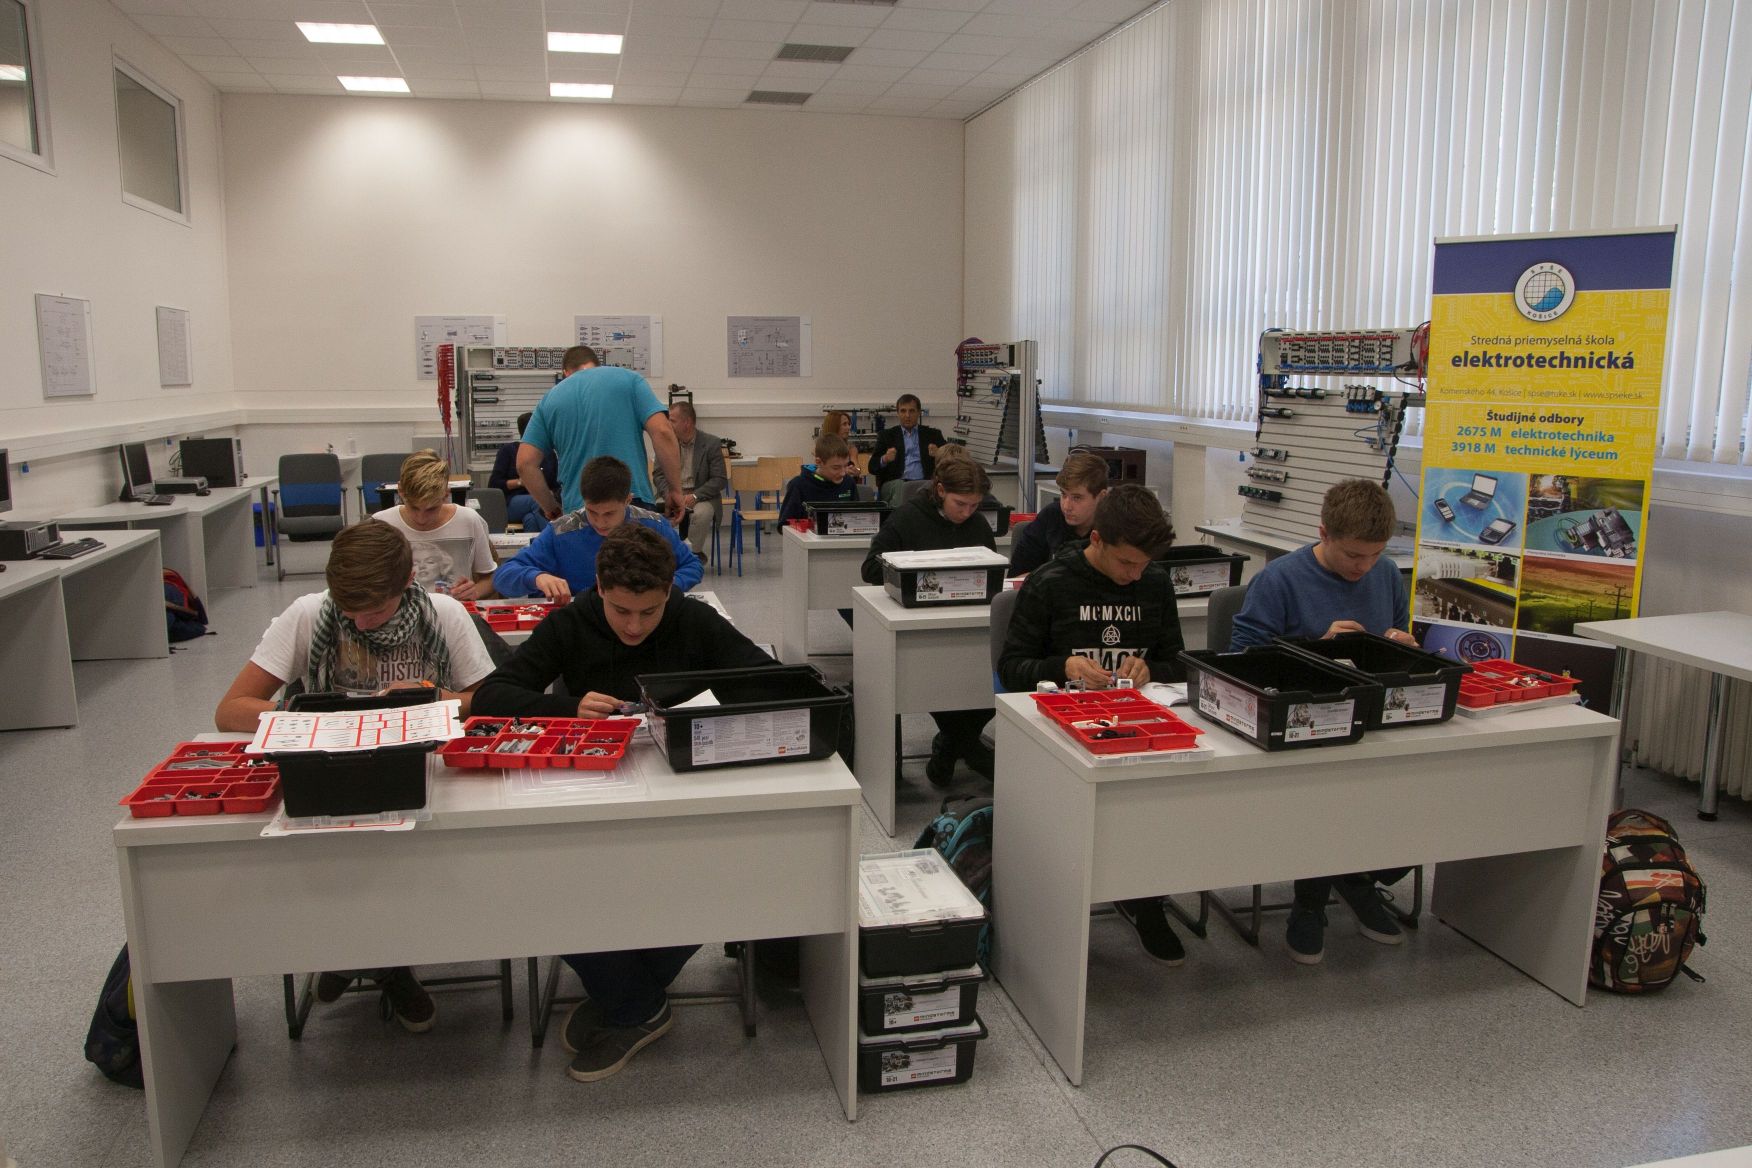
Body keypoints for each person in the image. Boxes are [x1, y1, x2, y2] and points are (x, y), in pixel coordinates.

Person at [472, 525, 774, 1081]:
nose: (634, 626)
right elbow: (490, 696)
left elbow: (771, 681)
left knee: (720, 875)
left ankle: (628, 1001)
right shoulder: (571, 621)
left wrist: (703, 708)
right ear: (598, 588)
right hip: (591, 800)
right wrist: (566, 707)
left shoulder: (693, 618)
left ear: (669, 593)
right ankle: (635, 1002)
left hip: (681, 802)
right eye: (620, 611)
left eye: (649, 612)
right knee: (538, 883)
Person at [214, 521, 496, 1033]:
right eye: (349, 612)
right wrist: (316, 716)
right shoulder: (307, 614)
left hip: (422, 775)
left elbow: (491, 703)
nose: (360, 623)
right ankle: (381, 962)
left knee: (410, 862)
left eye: (376, 611)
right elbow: (231, 710)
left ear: (407, 581)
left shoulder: (444, 614)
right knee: (353, 863)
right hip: (332, 776)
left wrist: (434, 697)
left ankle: (358, 957)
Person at [1228, 478, 1417, 966]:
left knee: (1427, 797)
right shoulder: (1279, 580)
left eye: (1375, 554)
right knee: (1334, 793)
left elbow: (1398, 639)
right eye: (1353, 555)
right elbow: (1241, 662)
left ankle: (1355, 877)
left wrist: (1402, 646)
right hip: (1304, 728)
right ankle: (1313, 900)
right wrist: (1317, 650)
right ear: (1323, 534)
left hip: (1372, 721)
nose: (1364, 566)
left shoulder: (1386, 574)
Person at [998, 484, 1188, 963]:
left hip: (1136, 727)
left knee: (1167, 799)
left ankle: (1146, 897)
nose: (1135, 574)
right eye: (1126, 563)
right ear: (1097, 539)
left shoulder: (1155, 583)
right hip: (1058, 732)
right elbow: (1012, 668)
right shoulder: (1051, 582)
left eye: (1144, 564)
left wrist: (1151, 669)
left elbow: (1180, 665)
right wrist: (1062, 666)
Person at [862, 445, 997, 784]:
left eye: (974, 505)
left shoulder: (978, 524)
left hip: (971, 628)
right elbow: (870, 569)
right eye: (960, 504)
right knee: (933, 678)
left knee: (993, 679)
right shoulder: (908, 517)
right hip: (921, 632)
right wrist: (911, 570)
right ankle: (970, 749)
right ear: (940, 490)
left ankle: (951, 744)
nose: (967, 512)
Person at [493, 456, 700, 602]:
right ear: (583, 500)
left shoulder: (654, 526)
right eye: (592, 512)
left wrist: (666, 588)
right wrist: (536, 577)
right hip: (581, 624)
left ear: (628, 500)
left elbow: (692, 566)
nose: (600, 522)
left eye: (609, 513)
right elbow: (503, 576)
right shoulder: (561, 531)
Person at [516, 345, 684, 523]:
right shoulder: (630, 380)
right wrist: (675, 490)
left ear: (565, 372)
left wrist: (551, 507)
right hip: (631, 500)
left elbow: (525, 464)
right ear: (597, 364)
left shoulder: (550, 399)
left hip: (580, 510)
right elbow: (663, 432)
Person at [373, 450, 495, 600]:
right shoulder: (381, 525)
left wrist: (475, 591)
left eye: (431, 509)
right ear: (401, 491)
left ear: (446, 494)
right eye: (414, 507)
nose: (421, 519)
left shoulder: (469, 520)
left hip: (455, 610)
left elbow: (490, 578)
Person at [1009, 451, 1110, 575]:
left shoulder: (1114, 527)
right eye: (1063, 494)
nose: (1067, 506)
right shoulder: (1051, 515)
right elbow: (1016, 576)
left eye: (1077, 498)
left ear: (1101, 497)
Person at [650, 401, 727, 559]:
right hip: (671, 493)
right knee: (652, 513)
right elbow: (658, 474)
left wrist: (695, 496)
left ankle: (692, 555)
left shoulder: (711, 443)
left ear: (687, 423)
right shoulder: (664, 442)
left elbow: (719, 479)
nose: (668, 425)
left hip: (701, 496)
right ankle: (663, 557)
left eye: (672, 421)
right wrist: (669, 494)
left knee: (701, 515)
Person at [491, 412, 561, 533]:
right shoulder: (508, 451)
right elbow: (494, 484)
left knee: (530, 519)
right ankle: (557, 536)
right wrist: (520, 482)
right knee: (538, 501)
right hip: (512, 502)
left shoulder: (549, 454)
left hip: (538, 506)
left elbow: (556, 484)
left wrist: (550, 492)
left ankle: (535, 544)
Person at [871, 394, 947, 506]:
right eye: (903, 411)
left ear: (919, 412)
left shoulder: (933, 435)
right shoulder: (886, 436)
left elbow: (952, 461)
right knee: (900, 488)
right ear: (897, 413)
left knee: (935, 488)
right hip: (896, 483)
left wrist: (939, 454)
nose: (907, 415)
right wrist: (885, 459)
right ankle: (901, 517)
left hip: (924, 483)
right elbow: (872, 467)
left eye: (912, 411)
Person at [778, 433, 859, 523]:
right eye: (836, 468)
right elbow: (784, 525)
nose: (843, 473)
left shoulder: (849, 483)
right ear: (819, 462)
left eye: (846, 465)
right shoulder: (798, 485)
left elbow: (857, 519)